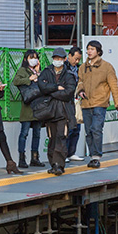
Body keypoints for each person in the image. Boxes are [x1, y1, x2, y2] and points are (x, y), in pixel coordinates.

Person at [77, 40, 118, 169]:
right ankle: (92, 156)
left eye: (92, 49)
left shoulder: (107, 67)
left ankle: (96, 157)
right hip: (86, 103)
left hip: (100, 103)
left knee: (96, 129)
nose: (89, 51)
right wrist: (80, 90)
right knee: (88, 132)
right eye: (88, 49)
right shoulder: (82, 67)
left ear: (98, 51)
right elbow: (79, 81)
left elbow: (114, 85)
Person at [37, 47, 78, 175]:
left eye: (60, 58)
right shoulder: (46, 71)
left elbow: (68, 92)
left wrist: (51, 93)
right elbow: (41, 86)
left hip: (63, 111)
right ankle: (52, 164)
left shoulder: (69, 74)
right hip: (49, 112)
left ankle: (59, 165)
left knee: (61, 137)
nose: (57, 61)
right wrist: (56, 88)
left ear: (64, 59)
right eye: (55, 58)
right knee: (52, 138)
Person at [12, 49, 45, 169]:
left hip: (38, 107)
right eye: (31, 57)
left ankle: (35, 158)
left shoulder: (38, 71)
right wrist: (29, 79)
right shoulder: (23, 70)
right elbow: (15, 81)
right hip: (28, 107)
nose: (34, 59)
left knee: (37, 133)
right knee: (24, 133)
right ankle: (22, 158)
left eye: (36, 57)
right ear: (26, 59)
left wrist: (37, 74)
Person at [65, 46, 84, 162]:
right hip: (68, 101)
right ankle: (65, 153)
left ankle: (72, 152)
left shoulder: (79, 69)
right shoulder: (64, 68)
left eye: (78, 59)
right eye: (75, 59)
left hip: (78, 100)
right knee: (69, 129)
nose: (76, 61)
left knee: (77, 127)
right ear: (69, 56)